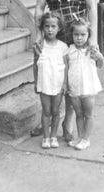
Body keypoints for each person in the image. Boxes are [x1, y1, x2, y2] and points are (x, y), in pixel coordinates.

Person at [32, 0, 98, 142]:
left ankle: (67, 122)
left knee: (70, 80)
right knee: (48, 75)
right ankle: (46, 118)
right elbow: (40, 7)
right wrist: (38, 34)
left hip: (77, 34)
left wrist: (93, 38)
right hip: (54, 33)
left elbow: (92, 9)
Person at [65, 18, 104, 150]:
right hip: (74, 87)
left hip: (88, 87)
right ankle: (80, 137)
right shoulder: (69, 50)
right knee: (78, 113)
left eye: (83, 35)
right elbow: (66, 68)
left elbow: (100, 65)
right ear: (72, 35)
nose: (79, 38)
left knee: (88, 114)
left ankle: (86, 139)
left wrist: (99, 56)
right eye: (76, 35)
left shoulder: (92, 50)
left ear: (88, 35)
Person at [33, 12, 69, 149]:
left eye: (53, 26)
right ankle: (46, 137)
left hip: (58, 84)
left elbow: (66, 67)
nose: (50, 29)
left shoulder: (63, 47)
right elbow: (35, 65)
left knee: (55, 110)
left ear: (58, 28)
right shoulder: (39, 46)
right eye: (47, 26)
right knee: (46, 110)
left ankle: (54, 136)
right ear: (42, 28)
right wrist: (36, 82)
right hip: (44, 83)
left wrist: (65, 83)